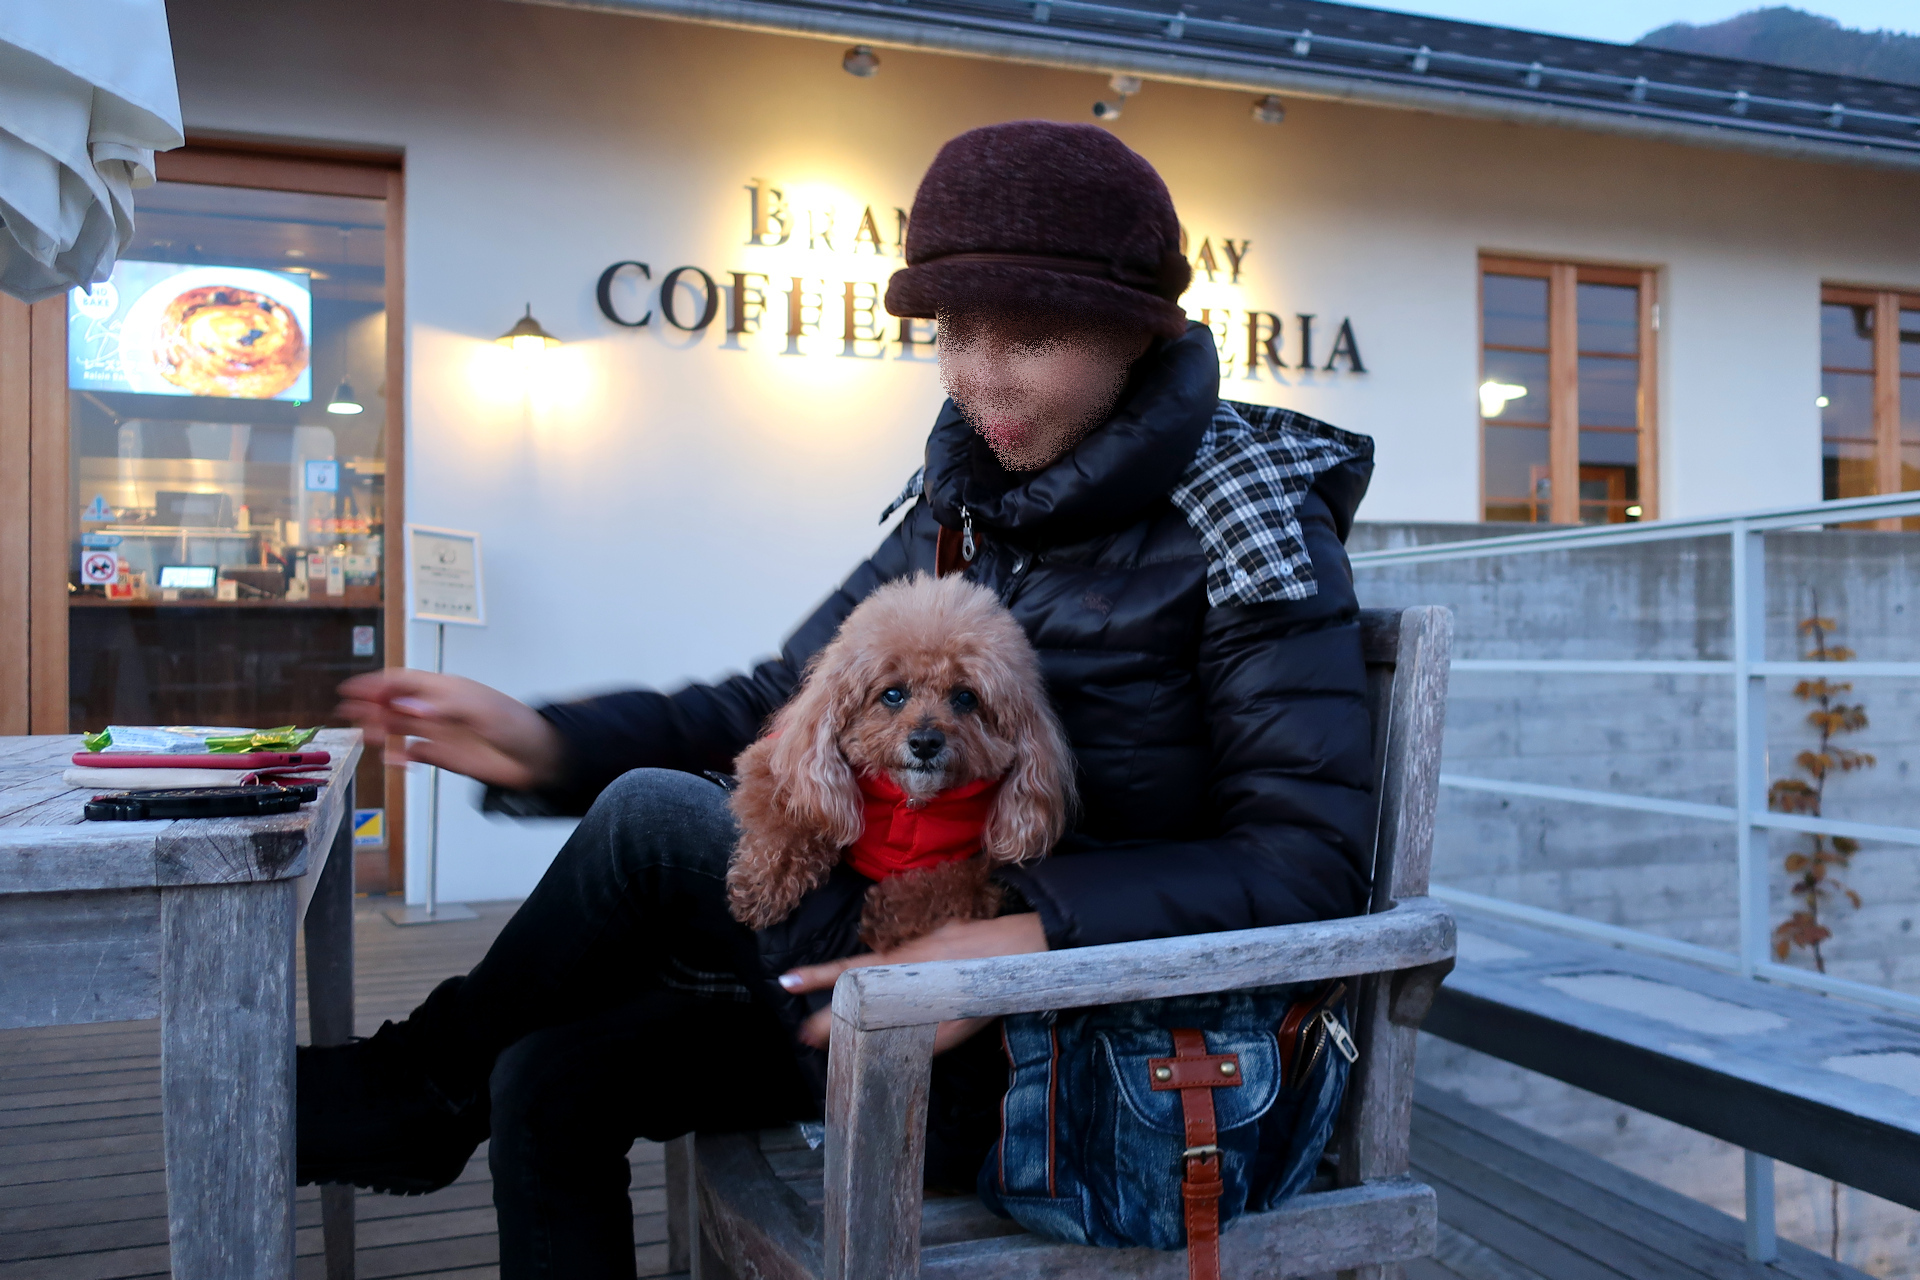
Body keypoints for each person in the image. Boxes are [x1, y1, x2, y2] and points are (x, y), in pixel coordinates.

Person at [300, 119, 1377, 1280]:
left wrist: (1014, 939)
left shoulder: (1247, 516)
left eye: (1033, 335)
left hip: (1071, 1047)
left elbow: (1309, 857)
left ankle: (411, 1091)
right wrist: (551, 737)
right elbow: (792, 693)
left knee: (659, 817)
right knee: (548, 1077)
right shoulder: (969, 499)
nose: (980, 375)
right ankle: (429, 1089)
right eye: (957, 333)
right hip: (886, 977)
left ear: (1139, 332)